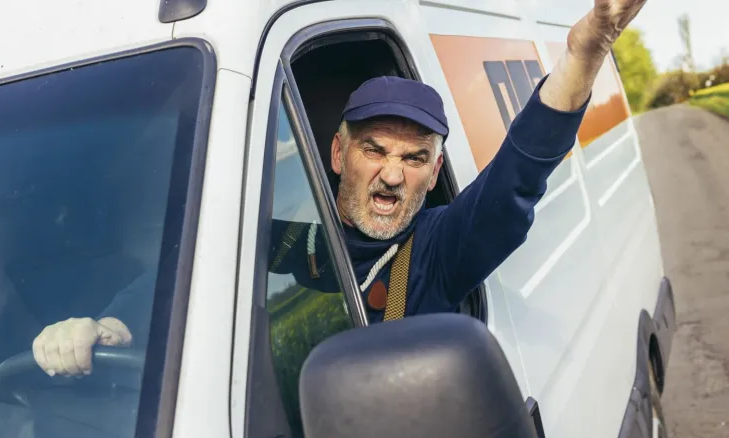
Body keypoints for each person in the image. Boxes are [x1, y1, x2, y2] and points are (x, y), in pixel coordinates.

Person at [32, 0, 649, 376]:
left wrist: (585, 52)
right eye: (374, 150)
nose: (391, 172)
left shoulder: (438, 249)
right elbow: (193, 267)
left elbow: (519, 171)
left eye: (414, 159)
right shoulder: (298, 246)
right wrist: (110, 325)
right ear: (337, 153)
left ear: (434, 174)